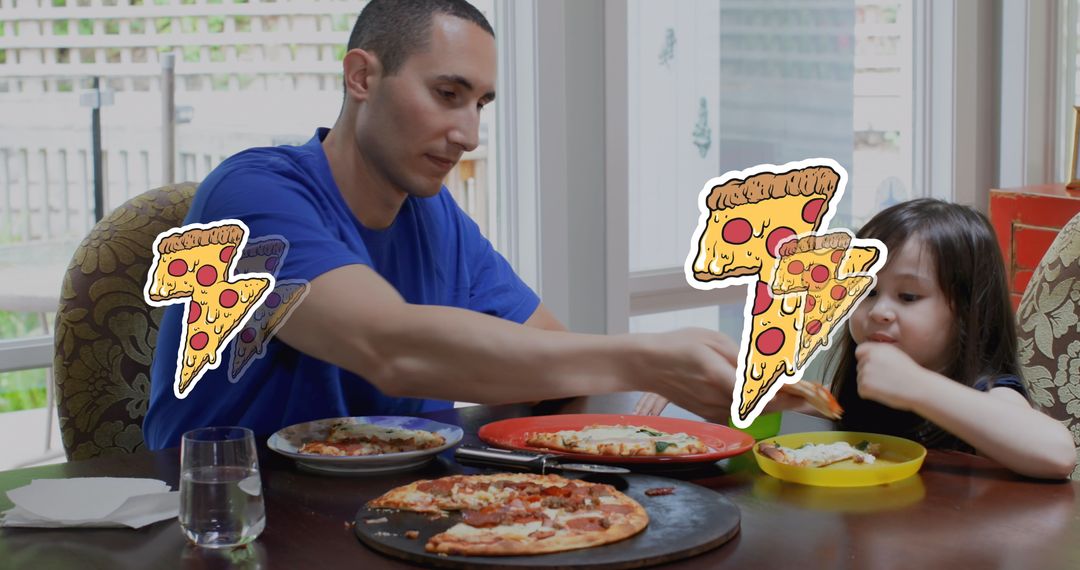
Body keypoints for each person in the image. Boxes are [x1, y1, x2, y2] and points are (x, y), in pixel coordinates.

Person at [142, 0, 742, 449]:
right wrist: (643, 357)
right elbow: (388, 346)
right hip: (228, 522)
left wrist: (674, 376)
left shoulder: (436, 217)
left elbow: (550, 362)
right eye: (448, 94)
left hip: (392, 513)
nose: (469, 135)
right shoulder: (249, 196)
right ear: (361, 77)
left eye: (480, 104)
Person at [638, 198, 1076, 479]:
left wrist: (917, 386)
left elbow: (1057, 453)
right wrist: (705, 385)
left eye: (908, 296)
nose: (880, 310)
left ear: (967, 311)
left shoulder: (988, 390)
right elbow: (803, 403)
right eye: (865, 291)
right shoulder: (863, 383)